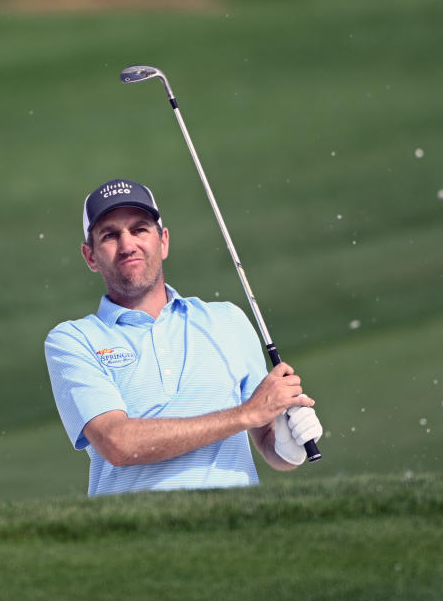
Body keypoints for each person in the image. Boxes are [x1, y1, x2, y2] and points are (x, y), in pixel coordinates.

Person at [44, 178, 323, 496]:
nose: (127, 245)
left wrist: (287, 447)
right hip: (134, 535)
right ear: (90, 256)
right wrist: (245, 414)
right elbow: (117, 443)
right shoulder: (73, 339)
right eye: (110, 235)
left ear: (162, 241)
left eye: (139, 229)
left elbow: (265, 437)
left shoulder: (226, 320)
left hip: (234, 526)